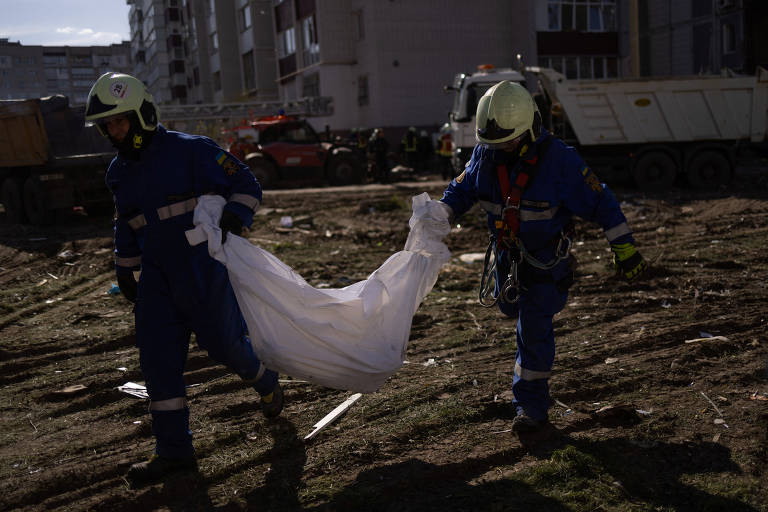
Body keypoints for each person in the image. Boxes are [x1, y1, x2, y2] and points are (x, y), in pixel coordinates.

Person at [84, 72, 284, 485]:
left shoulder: (191, 150)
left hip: (201, 268)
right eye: (108, 125)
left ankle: (265, 380)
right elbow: (127, 222)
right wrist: (125, 267)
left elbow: (245, 182)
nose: (114, 131)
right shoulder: (118, 172)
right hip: (157, 277)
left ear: (142, 114)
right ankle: (174, 452)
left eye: (120, 121)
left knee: (225, 346)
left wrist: (236, 215)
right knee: (157, 361)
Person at [439, 81, 647, 434]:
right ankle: (529, 399)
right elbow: (461, 191)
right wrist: (437, 217)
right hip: (507, 260)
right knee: (511, 311)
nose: (499, 149)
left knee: (533, 330)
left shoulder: (560, 163)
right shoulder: (485, 154)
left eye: (507, 141)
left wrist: (623, 247)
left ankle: (531, 409)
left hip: (545, 262)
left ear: (530, 130)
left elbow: (603, 203)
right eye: (492, 143)